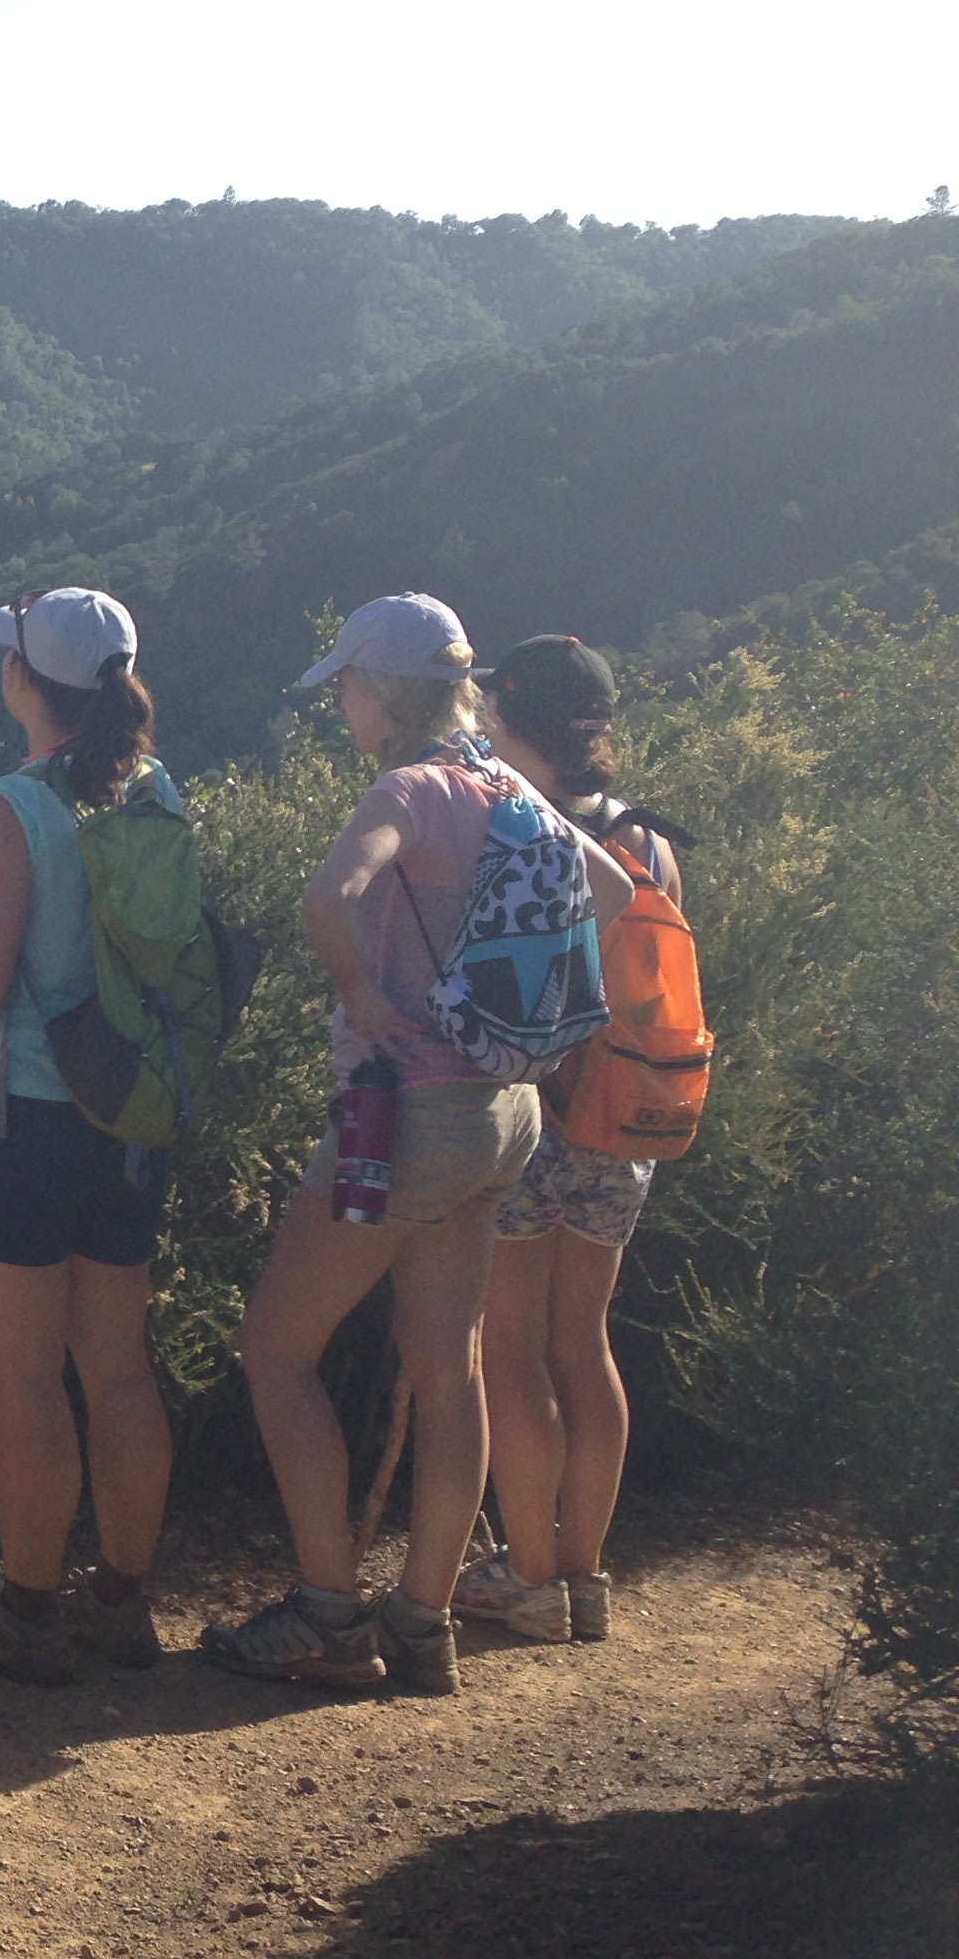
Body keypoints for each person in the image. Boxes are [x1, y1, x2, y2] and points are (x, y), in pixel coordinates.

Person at [201, 594, 630, 1698]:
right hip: (506, 1115)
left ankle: (331, 1614)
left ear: (384, 692)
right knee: (452, 1369)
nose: (342, 700)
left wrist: (365, 994)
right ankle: (424, 1622)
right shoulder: (505, 784)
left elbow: (328, 896)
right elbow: (617, 889)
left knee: (276, 1350)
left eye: (348, 683)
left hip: (404, 1120)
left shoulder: (408, 788)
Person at [0, 587, 178, 1687]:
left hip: (17, 1117)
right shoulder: (156, 791)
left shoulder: (10, 807)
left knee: (27, 1381)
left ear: (26, 682)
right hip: (129, 1117)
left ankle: (25, 1612)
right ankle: (120, 1602)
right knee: (117, 1371)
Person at [453, 635, 672, 1647]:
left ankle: (526, 1580)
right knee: (584, 1345)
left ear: (515, 718)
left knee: (510, 1350)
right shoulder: (648, 837)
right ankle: (584, 1575)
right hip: (626, 1120)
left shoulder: (517, 821)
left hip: (537, 1112)